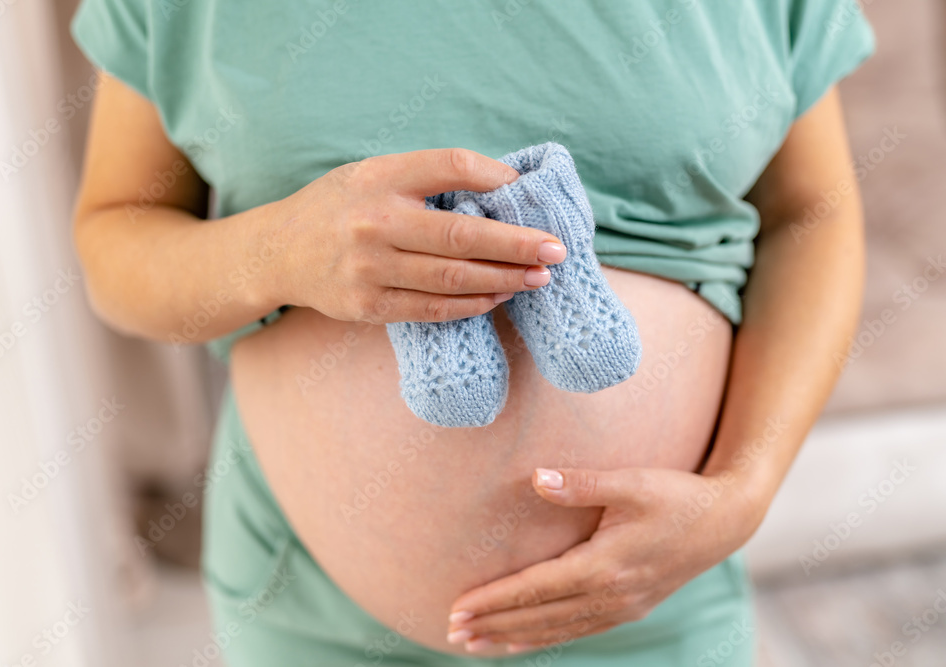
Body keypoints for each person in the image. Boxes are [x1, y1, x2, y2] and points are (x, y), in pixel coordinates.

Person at [70, 1, 875, 664]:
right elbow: (116, 239)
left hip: (651, 605)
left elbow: (813, 215)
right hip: (315, 611)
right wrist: (279, 253)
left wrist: (746, 487)